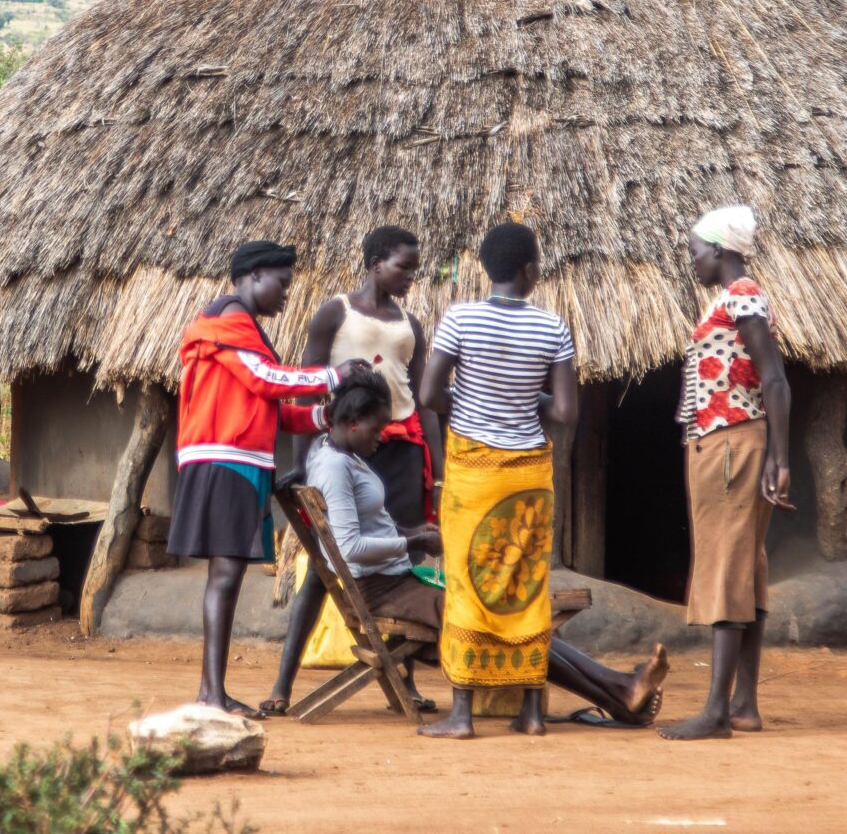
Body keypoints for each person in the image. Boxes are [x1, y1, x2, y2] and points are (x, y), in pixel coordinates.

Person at [306, 372, 665, 724]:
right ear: (352, 421)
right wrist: (412, 541)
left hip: (395, 579)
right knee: (492, 615)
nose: (382, 437)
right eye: (376, 428)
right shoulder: (336, 468)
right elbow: (350, 547)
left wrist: (409, 531)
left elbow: (363, 527)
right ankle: (618, 690)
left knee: (501, 612)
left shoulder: (331, 452)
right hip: (381, 590)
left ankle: (619, 691)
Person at [166, 238, 351, 716]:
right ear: (253, 276)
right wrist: (332, 378)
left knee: (223, 577)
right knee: (224, 576)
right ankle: (211, 693)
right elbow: (266, 381)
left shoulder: (237, 329)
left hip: (231, 460)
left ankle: (213, 690)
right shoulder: (229, 326)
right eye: (282, 283)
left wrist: (319, 420)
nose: (286, 294)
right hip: (225, 462)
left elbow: (265, 406)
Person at [414, 221, 578, 738]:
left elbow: (428, 394)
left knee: (468, 580)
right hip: (529, 472)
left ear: (488, 267)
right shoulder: (553, 327)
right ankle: (531, 712)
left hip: (473, 470)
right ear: (529, 270)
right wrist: (526, 398)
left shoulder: (459, 318)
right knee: (527, 584)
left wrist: (467, 402)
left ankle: (462, 714)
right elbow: (566, 411)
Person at [261, 225, 432, 717]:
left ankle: (406, 681)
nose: (410, 278)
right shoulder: (335, 312)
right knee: (324, 567)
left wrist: (434, 470)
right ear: (376, 263)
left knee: (402, 563)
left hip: (398, 450)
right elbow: (310, 387)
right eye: (404, 267)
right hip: (341, 449)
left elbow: (419, 402)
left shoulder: (411, 325)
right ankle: (282, 685)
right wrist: (301, 463)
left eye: (415, 269)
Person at [661, 204, 795, 741]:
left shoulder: (742, 296)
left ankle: (717, 711)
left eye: (695, 251)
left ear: (719, 250)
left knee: (724, 566)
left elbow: (776, 379)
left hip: (731, 444)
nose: (692, 261)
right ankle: (743, 705)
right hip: (730, 442)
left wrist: (780, 458)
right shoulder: (735, 298)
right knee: (746, 568)